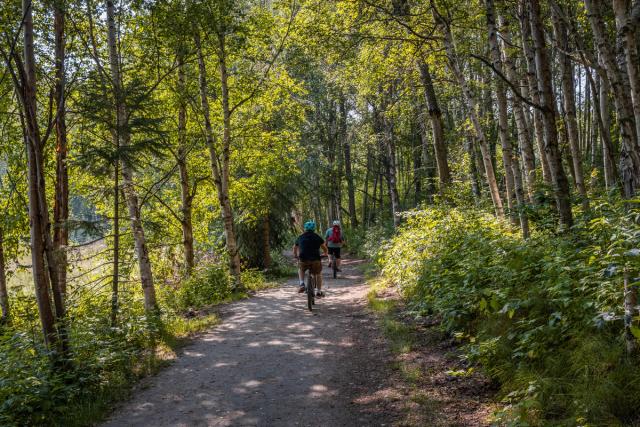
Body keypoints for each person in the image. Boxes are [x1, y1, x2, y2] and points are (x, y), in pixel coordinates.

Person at [293, 220, 328, 297]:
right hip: (315, 259)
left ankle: (302, 284)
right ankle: (319, 292)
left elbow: (295, 247)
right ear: (314, 229)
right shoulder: (317, 236)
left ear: (305, 229)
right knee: (318, 273)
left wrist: (295, 255)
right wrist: (325, 253)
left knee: (301, 269)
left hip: (303, 259)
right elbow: (324, 248)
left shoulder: (300, 237)